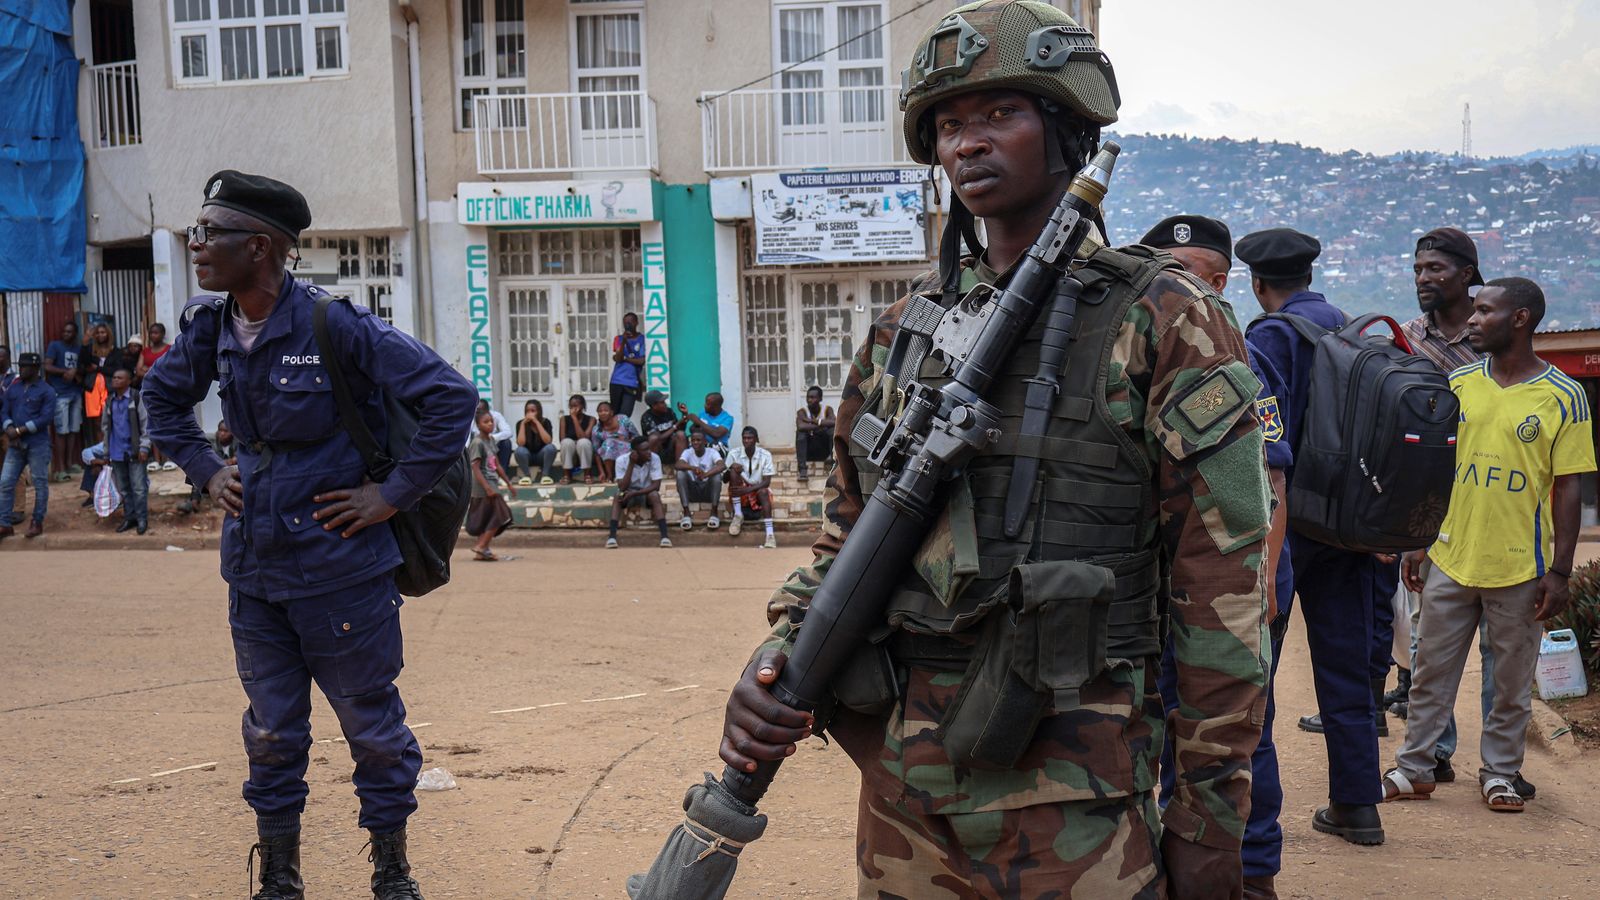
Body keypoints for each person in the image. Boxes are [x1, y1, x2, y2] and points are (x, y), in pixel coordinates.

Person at [722, 6, 1269, 894]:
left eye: (999, 115)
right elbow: (846, 539)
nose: (967, 144)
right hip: (905, 803)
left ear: (1066, 129)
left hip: (1079, 802)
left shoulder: (1164, 318)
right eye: (947, 125)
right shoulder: (903, 334)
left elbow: (1223, 598)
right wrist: (776, 656)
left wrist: (1209, 828)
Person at [143, 170, 475, 899]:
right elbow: (161, 398)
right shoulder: (210, 327)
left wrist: (390, 495)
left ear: (260, 247)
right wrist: (204, 468)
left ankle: (392, 874)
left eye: (210, 233)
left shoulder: (335, 325)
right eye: (196, 232)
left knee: (373, 732)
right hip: (256, 573)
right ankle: (281, 881)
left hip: (342, 569)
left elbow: (452, 399)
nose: (197, 246)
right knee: (270, 734)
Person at [1383, 277, 1594, 813]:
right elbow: (1436, 467)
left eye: (1484, 312)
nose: (1472, 321)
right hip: (1452, 554)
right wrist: (1418, 541)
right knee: (1429, 671)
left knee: (1509, 680)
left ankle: (1500, 773)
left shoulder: (1564, 396)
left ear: (1519, 319)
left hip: (1522, 567)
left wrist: (1561, 571)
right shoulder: (1460, 383)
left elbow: (1570, 486)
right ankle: (1415, 769)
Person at [1142, 213, 1293, 897]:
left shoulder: (1235, 353)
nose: (1169, 283)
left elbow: (1273, 480)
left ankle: (1252, 869)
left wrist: (1257, 583)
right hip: (1177, 571)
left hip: (1233, 572)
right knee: (1171, 715)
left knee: (1233, 722)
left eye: (1186, 272)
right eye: (1161, 269)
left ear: (1220, 279)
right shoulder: (1148, 339)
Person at [1240, 226, 1388, 846]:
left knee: (1256, 674)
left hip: (1286, 528)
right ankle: (1358, 807)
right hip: (1351, 528)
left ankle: (1251, 817)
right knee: (1348, 671)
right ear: (1309, 276)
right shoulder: (1353, 331)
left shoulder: (1268, 337)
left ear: (1257, 284)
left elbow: (1264, 444)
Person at [1388, 226, 1508, 793]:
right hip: (1433, 513)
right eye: (1417, 270)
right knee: (1429, 642)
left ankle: (1500, 767)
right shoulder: (1410, 339)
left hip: (1498, 509)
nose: (1423, 280)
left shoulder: (1496, 334)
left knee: (1500, 653)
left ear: (1467, 274)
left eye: (1434, 269)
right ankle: (1434, 752)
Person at [1, 352, 54, 540]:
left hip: (37, 444)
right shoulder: (13, 389)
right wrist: (8, 427)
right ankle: (4, 524)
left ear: (35, 368)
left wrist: (20, 430)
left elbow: (45, 418)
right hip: (15, 444)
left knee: (40, 483)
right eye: (20, 366)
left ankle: (37, 522)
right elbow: (4, 410)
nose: (21, 369)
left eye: (25, 367)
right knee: (6, 482)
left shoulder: (46, 390)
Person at [97, 368, 150, 535]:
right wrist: (106, 453)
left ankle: (142, 519)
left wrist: (144, 447)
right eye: (114, 377)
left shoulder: (136, 398)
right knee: (124, 489)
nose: (115, 380)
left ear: (128, 381)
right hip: (116, 452)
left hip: (134, 451)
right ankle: (130, 517)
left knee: (139, 488)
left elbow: (146, 423)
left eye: (120, 378)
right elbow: (105, 428)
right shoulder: (110, 400)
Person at [606, 434, 671, 549]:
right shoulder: (622, 460)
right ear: (635, 452)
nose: (649, 452)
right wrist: (631, 463)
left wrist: (635, 493)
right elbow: (622, 487)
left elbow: (656, 485)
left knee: (655, 495)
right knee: (617, 496)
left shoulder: (655, 458)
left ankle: (665, 536)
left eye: (649, 448)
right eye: (645, 450)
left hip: (645, 492)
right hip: (628, 492)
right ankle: (612, 537)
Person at [465, 408, 513, 561]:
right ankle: (482, 545)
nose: (490, 424)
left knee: (488, 516)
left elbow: (497, 465)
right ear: (478, 425)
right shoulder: (477, 443)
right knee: (502, 515)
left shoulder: (491, 440)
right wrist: (486, 487)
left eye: (491, 421)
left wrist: (508, 483)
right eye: (486, 422)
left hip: (492, 482)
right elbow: (475, 467)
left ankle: (482, 550)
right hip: (483, 485)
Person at [43, 319, 83, 481]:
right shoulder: (55, 346)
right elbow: (47, 366)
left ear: (75, 334)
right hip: (60, 393)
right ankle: (59, 469)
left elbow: (82, 367)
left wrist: (76, 373)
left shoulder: (78, 348)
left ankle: (70, 463)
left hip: (75, 392)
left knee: (73, 430)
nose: (66, 334)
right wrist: (66, 372)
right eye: (64, 331)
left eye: (69, 331)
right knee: (61, 431)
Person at [725, 425, 776, 549]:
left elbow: (767, 482)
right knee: (733, 472)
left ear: (756, 439)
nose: (747, 441)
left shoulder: (765, 455)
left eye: (750, 438)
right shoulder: (734, 453)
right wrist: (731, 468)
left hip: (757, 490)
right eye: (744, 438)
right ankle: (738, 515)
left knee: (764, 492)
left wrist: (748, 489)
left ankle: (770, 534)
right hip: (739, 490)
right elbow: (725, 479)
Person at [139, 323, 178, 470]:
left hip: (167, 391)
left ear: (162, 334)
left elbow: (171, 368)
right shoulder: (145, 351)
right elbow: (138, 370)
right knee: (154, 426)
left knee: (169, 425)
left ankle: (170, 458)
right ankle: (156, 460)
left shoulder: (170, 349)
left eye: (156, 333)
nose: (153, 335)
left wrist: (149, 370)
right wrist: (157, 369)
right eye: (151, 333)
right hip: (150, 392)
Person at [179, 420, 238, 514]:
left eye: (225, 431)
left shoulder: (238, 440)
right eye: (220, 430)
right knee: (198, 468)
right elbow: (203, 458)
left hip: (231, 471)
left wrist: (234, 460)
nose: (222, 434)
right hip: (214, 468)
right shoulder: (209, 439)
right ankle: (194, 500)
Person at [674, 426, 725, 531]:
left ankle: (714, 513)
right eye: (693, 440)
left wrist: (706, 474)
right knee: (680, 474)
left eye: (698, 440)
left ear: (705, 441)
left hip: (708, 491)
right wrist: (692, 468)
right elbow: (678, 465)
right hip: (693, 491)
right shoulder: (688, 452)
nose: (695, 443)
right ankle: (686, 513)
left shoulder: (712, 452)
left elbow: (722, 466)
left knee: (716, 476)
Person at [609, 312, 646, 418]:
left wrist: (625, 358)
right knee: (614, 413)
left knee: (625, 414)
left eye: (630, 322)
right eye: (625, 323)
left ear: (637, 323)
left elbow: (641, 361)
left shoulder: (642, 339)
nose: (628, 325)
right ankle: (614, 434)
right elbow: (618, 358)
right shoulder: (618, 339)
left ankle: (622, 433)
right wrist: (624, 341)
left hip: (631, 382)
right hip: (616, 381)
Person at [512, 398, 558, 485]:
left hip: (541, 456)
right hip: (527, 457)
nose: (530, 413)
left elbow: (548, 441)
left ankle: (545, 475)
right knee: (519, 450)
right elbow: (520, 443)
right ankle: (527, 476)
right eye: (527, 411)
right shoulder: (520, 423)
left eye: (533, 411)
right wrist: (523, 424)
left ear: (539, 411)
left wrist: (536, 422)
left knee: (551, 448)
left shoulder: (546, 422)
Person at [793, 385, 835, 478]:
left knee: (832, 431)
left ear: (820, 398)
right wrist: (822, 425)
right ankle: (803, 470)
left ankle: (833, 466)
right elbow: (800, 426)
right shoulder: (802, 412)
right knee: (800, 434)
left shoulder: (827, 410)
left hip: (824, 451)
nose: (809, 400)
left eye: (812, 397)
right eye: (808, 397)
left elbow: (834, 422)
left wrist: (813, 421)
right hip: (809, 452)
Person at [591, 400, 637, 482]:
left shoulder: (623, 419)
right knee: (609, 443)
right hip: (609, 454)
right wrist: (601, 472)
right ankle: (610, 475)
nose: (603, 413)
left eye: (606, 410)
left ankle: (626, 475)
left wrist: (627, 440)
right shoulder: (597, 430)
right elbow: (596, 452)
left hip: (627, 449)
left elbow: (636, 437)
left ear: (611, 412)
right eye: (600, 411)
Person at [639, 390, 686, 470]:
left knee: (681, 434)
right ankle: (654, 470)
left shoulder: (669, 412)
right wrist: (675, 426)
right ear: (654, 405)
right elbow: (658, 438)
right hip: (656, 450)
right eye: (662, 402)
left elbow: (680, 430)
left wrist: (684, 415)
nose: (665, 404)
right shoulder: (647, 417)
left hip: (672, 447)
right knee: (653, 438)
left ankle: (680, 468)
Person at [557, 394, 596, 484]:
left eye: (576, 406)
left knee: (583, 442)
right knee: (566, 442)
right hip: (570, 453)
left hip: (585, 451)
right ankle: (567, 474)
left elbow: (585, 437)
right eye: (571, 406)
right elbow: (562, 439)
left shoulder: (591, 419)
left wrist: (574, 418)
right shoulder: (564, 419)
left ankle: (587, 474)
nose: (573, 408)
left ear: (582, 406)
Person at [475, 398, 513, 477]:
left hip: (494, 446)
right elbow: (467, 438)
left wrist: (491, 438)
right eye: (477, 411)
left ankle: (502, 475)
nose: (479, 413)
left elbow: (508, 432)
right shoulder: (472, 418)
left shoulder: (496, 416)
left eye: (481, 411)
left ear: (488, 410)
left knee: (506, 443)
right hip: (478, 447)